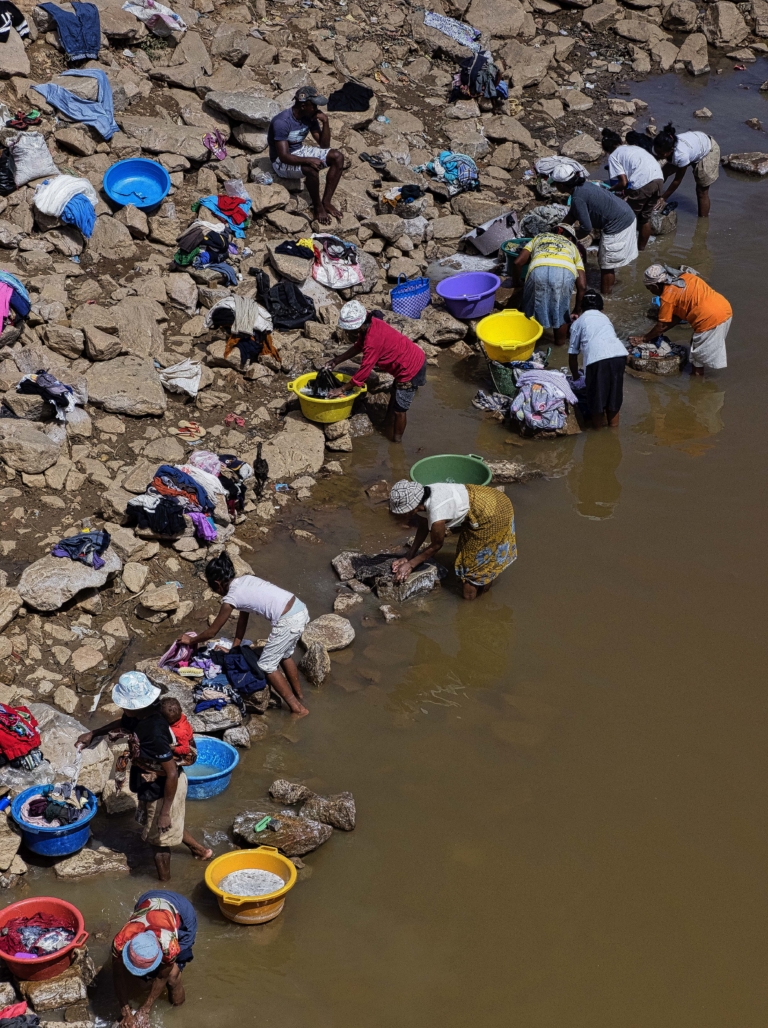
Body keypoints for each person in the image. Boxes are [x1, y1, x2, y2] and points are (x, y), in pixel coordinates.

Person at [76, 672, 211, 880]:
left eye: (125, 705)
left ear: (137, 706)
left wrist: (165, 811)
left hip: (165, 786)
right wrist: (94, 733)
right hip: (151, 780)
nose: (122, 709)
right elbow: (122, 723)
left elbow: (171, 773)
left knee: (159, 842)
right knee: (162, 828)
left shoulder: (155, 731)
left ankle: (165, 885)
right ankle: (201, 851)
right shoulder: (139, 715)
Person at [179, 553, 309, 717]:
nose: (216, 593)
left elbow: (212, 632)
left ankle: (298, 709)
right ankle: (300, 695)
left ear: (217, 583)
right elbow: (243, 620)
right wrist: (235, 649)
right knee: (285, 655)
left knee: (267, 666)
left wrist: (191, 640)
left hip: (287, 620)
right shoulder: (245, 580)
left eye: (214, 589)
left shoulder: (231, 598)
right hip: (299, 609)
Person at [388, 480, 517, 601]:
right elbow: (423, 526)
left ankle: (471, 607)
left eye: (402, 512)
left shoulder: (437, 515)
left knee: (473, 570)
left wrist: (411, 565)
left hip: (494, 514)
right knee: (474, 557)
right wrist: (409, 555)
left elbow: (437, 545)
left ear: (412, 508)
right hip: (488, 498)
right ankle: (482, 593)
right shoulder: (423, 495)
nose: (400, 516)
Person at [325, 301, 427, 442]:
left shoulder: (373, 341)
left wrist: (341, 389)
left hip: (411, 369)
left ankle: (396, 443)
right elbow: (358, 346)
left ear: (359, 326)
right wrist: (337, 360)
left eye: (350, 330)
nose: (348, 333)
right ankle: (387, 423)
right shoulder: (370, 323)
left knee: (400, 410)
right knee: (395, 395)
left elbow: (364, 372)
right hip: (407, 361)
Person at [112, 889, 197, 1028]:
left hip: (182, 912)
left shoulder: (169, 946)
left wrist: (145, 1010)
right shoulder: (120, 941)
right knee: (133, 975)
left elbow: (162, 977)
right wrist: (125, 1011)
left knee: (172, 977)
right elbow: (117, 975)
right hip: (149, 899)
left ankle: (179, 1013)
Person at [630, 264, 732, 375]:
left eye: (649, 288)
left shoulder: (667, 297)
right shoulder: (685, 277)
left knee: (698, 358)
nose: (650, 291)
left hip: (709, 319)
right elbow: (676, 317)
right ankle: (697, 373)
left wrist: (644, 338)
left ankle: (696, 379)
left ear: (655, 286)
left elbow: (662, 325)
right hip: (724, 308)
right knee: (696, 345)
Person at [551, 167, 638, 295]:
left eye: (555, 184)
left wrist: (571, 239)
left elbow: (586, 228)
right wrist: (559, 229)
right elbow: (573, 214)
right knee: (605, 258)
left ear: (562, 185)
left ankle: (606, 297)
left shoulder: (578, 197)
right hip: (626, 213)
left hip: (618, 225)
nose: (555, 186)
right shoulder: (583, 186)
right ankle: (608, 287)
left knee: (606, 265)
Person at [267, 85, 345, 225]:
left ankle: (326, 201)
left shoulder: (310, 116)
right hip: (280, 161)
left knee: (338, 157)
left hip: (299, 150)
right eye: (314, 106)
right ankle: (318, 207)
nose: (316, 109)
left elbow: (324, 145)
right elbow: (284, 156)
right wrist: (308, 160)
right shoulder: (282, 122)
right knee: (311, 169)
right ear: (303, 106)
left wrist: (325, 122)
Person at [512, 223, 586, 345]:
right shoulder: (573, 247)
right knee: (561, 314)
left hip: (538, 270)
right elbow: (582, 286)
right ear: (570, 238)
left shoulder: (539, 237)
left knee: (529, 311)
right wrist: (577, 310)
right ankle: (559, 345)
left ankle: (528, 345)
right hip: (564, 274)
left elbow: (517, 262)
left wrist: (516, 282)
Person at [568, 289, 627, 429]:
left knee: (596, 401)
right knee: (614, 397)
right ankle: (614, 431)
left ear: (582, 307)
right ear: (602, 307)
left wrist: (576, 377)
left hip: (597, 360)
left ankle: (597, 432)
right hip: (619, 355)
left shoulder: (578, 323)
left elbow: (572, 355)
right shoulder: (605, 318)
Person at [602, 128, 664, 251]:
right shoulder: (634, 148)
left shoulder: (614, 156)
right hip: (659, 179)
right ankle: (641, 250)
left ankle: (622, 251)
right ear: (620, 142)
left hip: (644, 183)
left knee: (626, 218)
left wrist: (610, 190)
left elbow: (623, 183)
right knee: (644, 219)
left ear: (607, 150)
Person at [652, 122, 719, 218]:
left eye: (661, 154)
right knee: (662, 173)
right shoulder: (659, 146)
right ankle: (653, 195)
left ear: (671, 150)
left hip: (707, 149)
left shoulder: (680, 155)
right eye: (657, 152)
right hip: (695, 145)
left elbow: (677, 180)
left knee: (701, 191)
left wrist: (663, 198)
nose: (659, 155)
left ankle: (703, 221)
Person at [160, 697, 195, 764]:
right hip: (184, 738)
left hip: (186, 749)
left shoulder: (180, 732)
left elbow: (186, 749)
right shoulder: (178, 715)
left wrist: (173, 748)